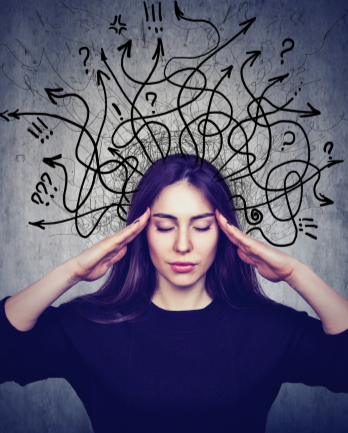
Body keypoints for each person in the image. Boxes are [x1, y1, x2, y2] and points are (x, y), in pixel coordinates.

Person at [1, 154, 348, 433]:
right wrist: (71, 272)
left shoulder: (267, 328)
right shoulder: (90, 324)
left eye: (201, 226)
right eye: (165, 226)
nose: (183, 245)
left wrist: (295, 273)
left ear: (224, 232)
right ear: (141, 231)